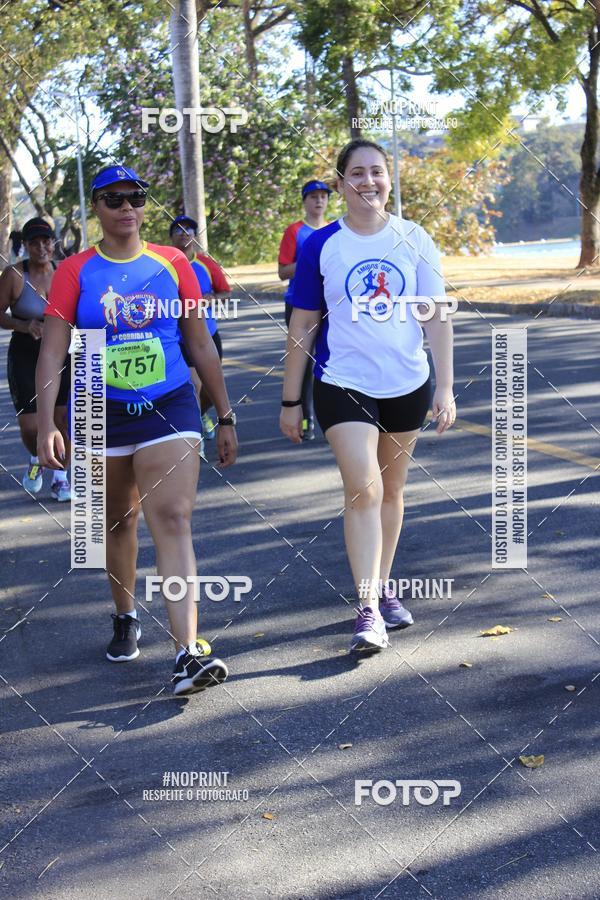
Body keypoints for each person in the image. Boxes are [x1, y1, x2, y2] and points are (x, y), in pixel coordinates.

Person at [36, 165, 238, 695]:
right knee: (117, 523)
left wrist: (224, 413)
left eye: (136, 197)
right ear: (97, 209)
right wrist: (45, 427)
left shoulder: (173, 263)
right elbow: (53, 350)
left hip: (170, 406)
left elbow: (199, 343)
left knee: (172, 517)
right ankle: (125, 614)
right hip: (97, 409)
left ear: (146, 206)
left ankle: (187, 651)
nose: (126, 207)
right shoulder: (75, 270)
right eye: (113, 199)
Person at [280, 140, 455, 653]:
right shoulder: (322, 245)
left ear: (389, 180)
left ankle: (382, 584)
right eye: (356, 172)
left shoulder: (414, 237)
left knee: (393, 490)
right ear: (340, 184)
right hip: (342, 381)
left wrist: (444, 386)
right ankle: (368, 609)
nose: (369, 180)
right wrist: (292, 400)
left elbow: (436, 313)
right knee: (365, 488)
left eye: (377, 171)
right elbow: (303, 324)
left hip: (407, 382)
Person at [0, 217, 71, 500]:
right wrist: (25, 325)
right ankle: (35, 457)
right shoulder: (14, 275)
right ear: (26, 246)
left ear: (54, 243)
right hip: (26, 352)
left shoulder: (65, 271)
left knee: (63, 419)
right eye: (34, 243)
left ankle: (61, 479)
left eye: (46, 241)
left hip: (63, 351)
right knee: (31, 426)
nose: (42, 247)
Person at [278, 180, 332, 441]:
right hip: (299, 303)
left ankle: (337, 416)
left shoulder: (336, 230)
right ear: (305, 201)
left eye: (323, 196)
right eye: (313, 197)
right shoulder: (295, 231)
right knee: (305, 361)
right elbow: (283, 271)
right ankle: (306, 415)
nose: (319, 201)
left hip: (330, 304)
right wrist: (310, 262)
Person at [170, 215, 231, 440]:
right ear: (171, 237)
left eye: (189, 230)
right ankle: (194, 436)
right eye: (179, 230)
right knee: (194, 385)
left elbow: (225, 292)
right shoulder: (165, 264)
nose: (184, 234)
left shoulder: (206, 264)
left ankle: (202, 414)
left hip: (208, 333)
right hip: (179, 337)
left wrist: (212, 298)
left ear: (195, 236)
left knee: (209, 387)